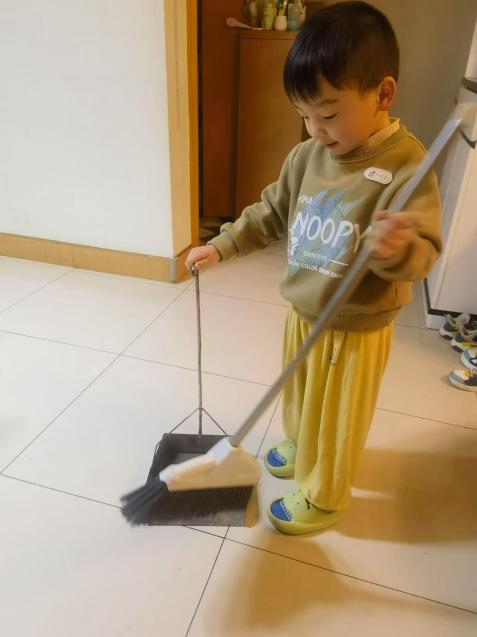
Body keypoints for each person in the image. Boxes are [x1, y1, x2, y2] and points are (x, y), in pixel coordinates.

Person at [185, 1, 441, 535]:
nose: (315, 130)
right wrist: (224, 244)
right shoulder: (307, 157)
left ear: (383, 94)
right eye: (304, 115)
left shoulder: (406, 166)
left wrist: (398, 247)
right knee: (301, 398)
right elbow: (271, 211)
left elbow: (424, 252)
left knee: (338, 419)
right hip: (304, 311)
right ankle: (302, 446)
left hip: (356, 325)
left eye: (328, 115)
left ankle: (325, 494)